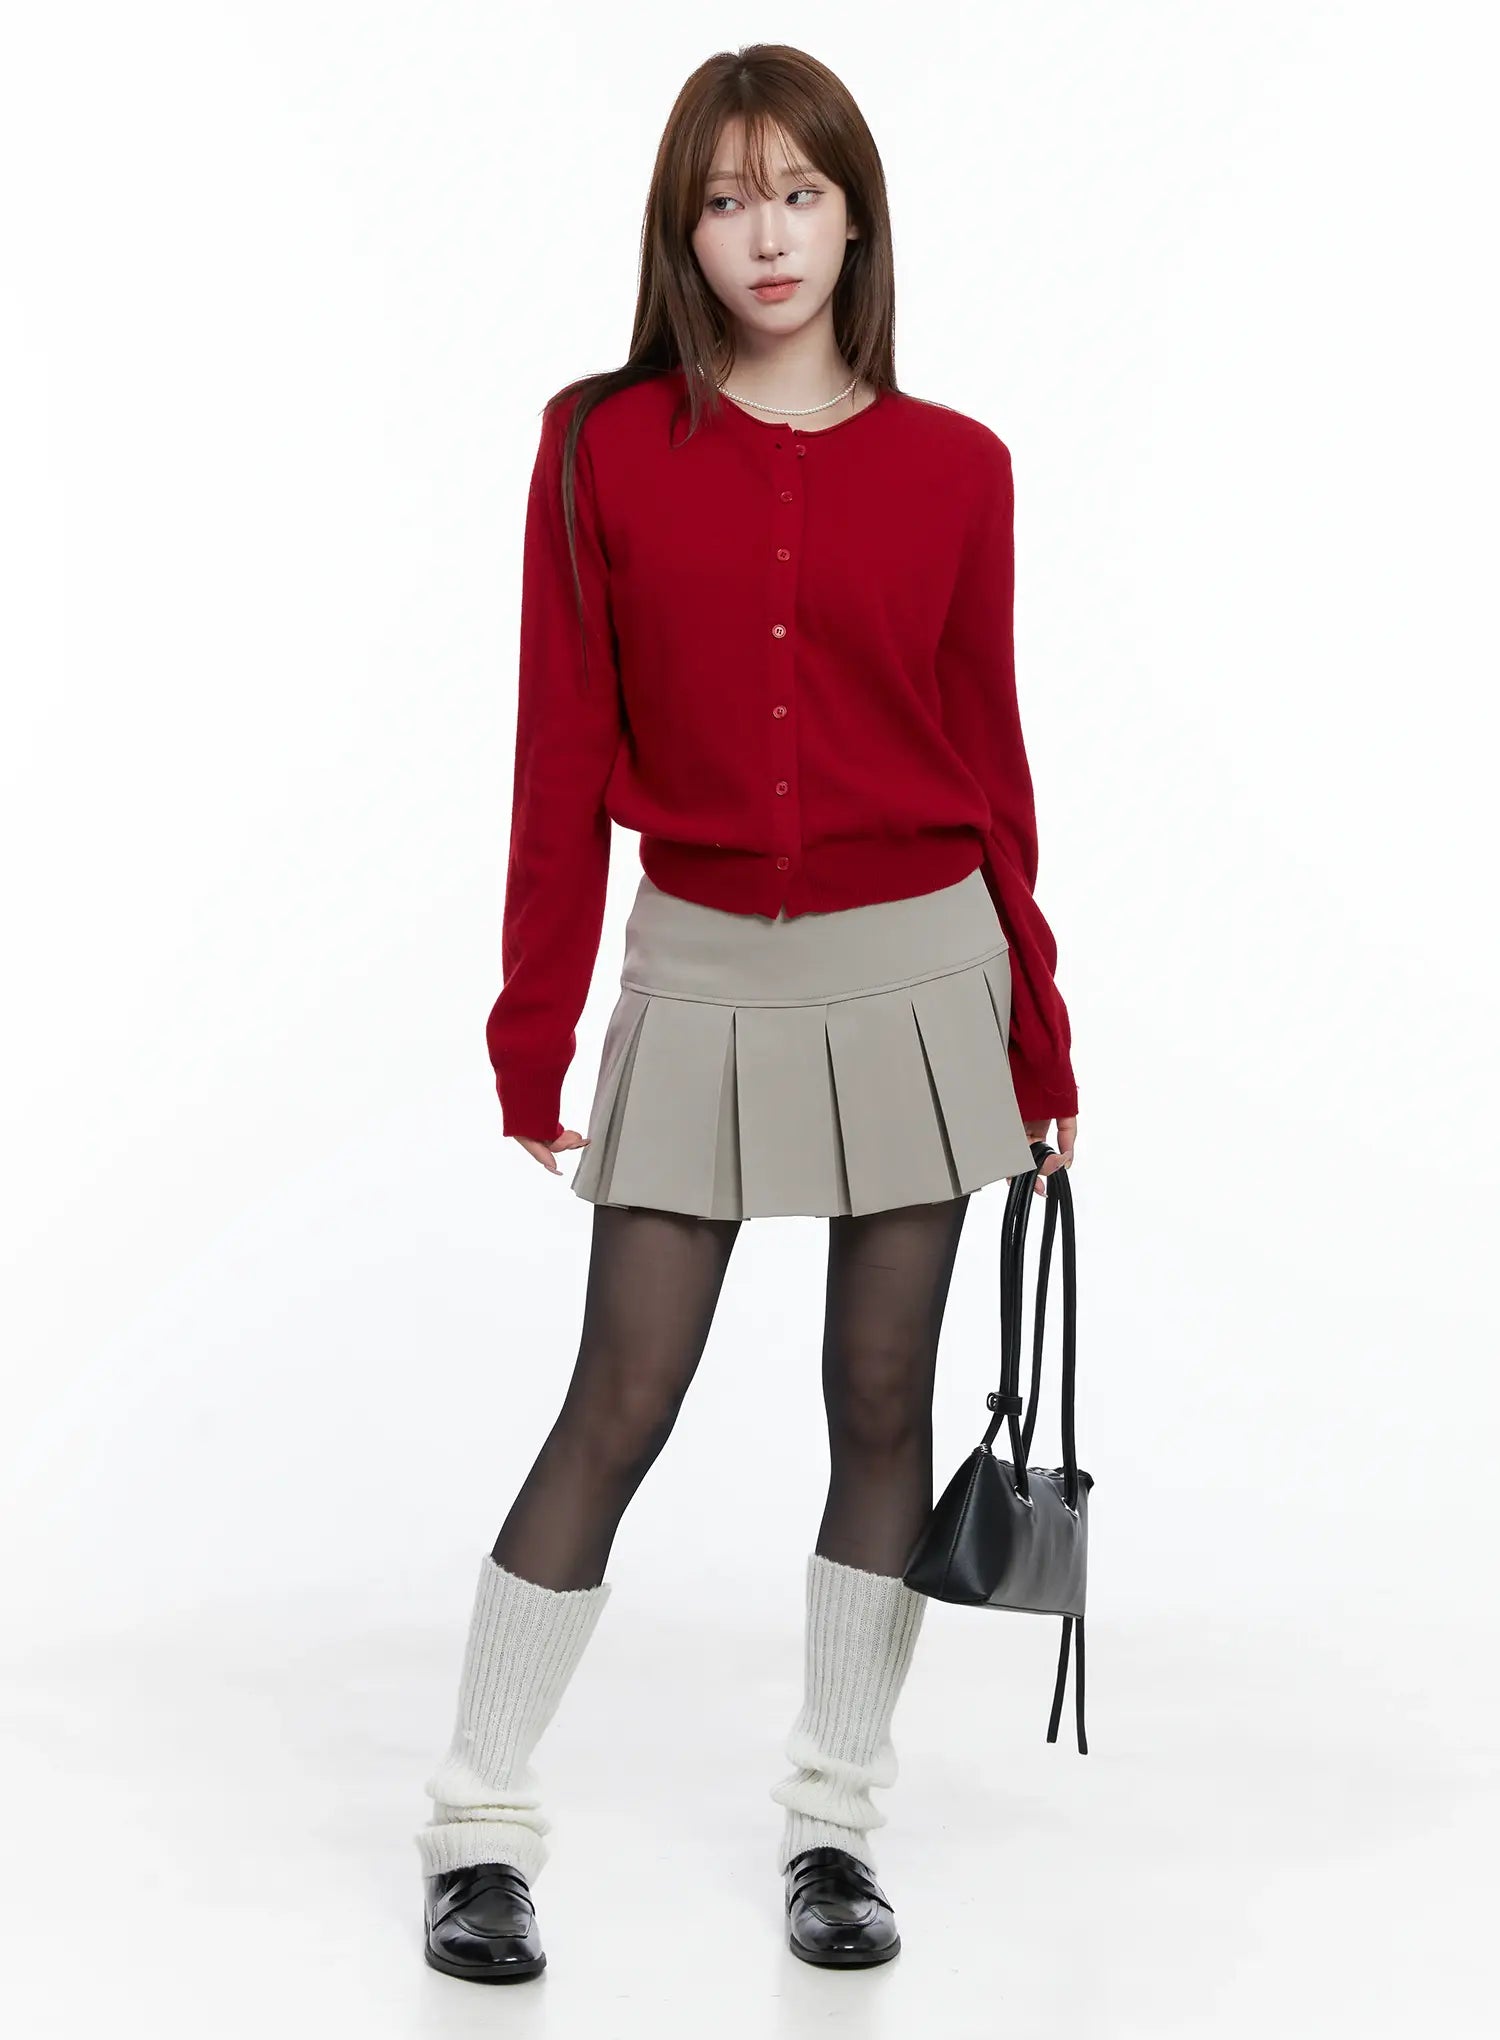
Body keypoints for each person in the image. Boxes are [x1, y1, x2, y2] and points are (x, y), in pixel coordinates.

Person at [414, 41, 1079, 1984]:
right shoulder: (600, 447)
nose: (765, 233)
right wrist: (533, 1025)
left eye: (798, 191)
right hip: (701, 969)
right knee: (619, 1400)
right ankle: (478, 1825)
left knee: (881, 1404)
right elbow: (559, 755)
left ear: (856, 217)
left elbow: (993, 767)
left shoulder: (960, 468)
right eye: (724, 199)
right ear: (680, 233)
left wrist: (1041, 1037)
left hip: (924, 970)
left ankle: (835, 1823)